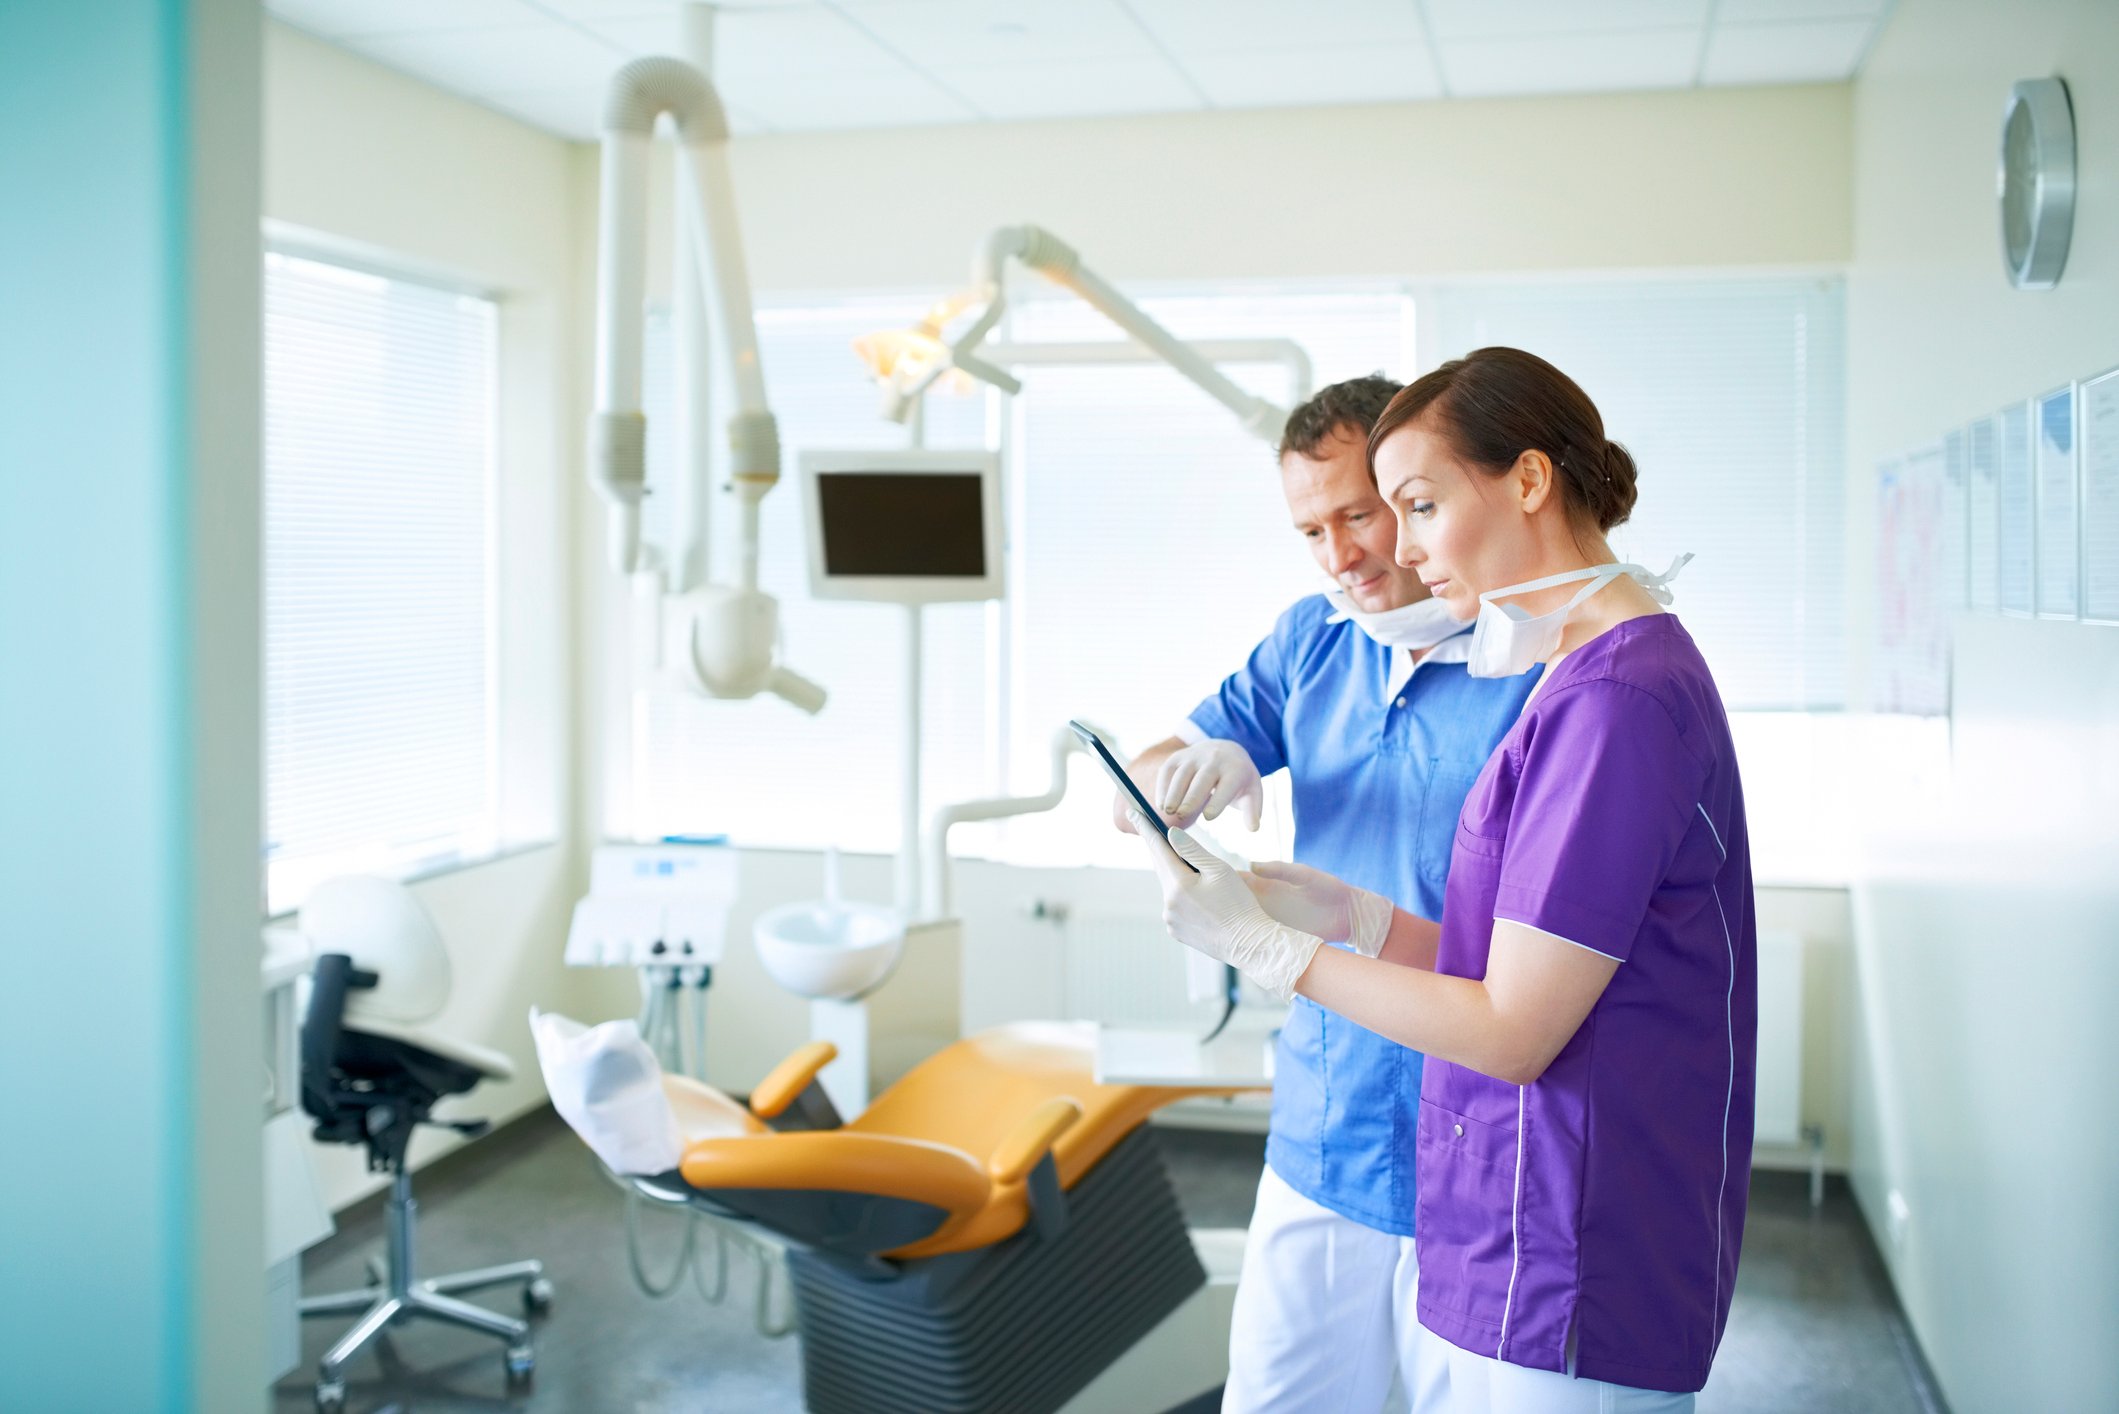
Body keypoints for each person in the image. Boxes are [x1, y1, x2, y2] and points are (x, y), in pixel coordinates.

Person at [1132, 347, 1757, 1414]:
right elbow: (1510, 952)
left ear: (1523, 481)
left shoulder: (1609, 701)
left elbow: (1515, 1027)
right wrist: (1352, 915)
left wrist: (1270, 949)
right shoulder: (1576, 673)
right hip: (1476, 1178)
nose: (1394, 549)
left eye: (1409, 506)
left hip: (1558, 1216)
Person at [1113, 376, 1539, 1413]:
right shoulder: (1315, 640)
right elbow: (1143, 776)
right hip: (1326, 1120)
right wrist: (1186, 768)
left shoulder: (1536, 665)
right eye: (1310, 530)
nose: (1339, 556)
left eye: (1357, 514)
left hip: (1481, 1142)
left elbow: (1534, 975)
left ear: (1417, 491)